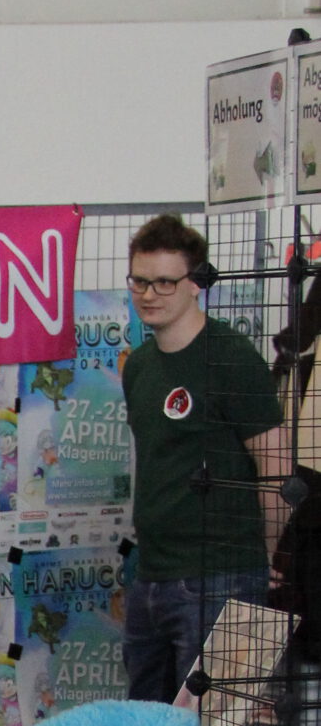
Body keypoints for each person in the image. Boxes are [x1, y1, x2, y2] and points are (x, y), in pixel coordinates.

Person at [120, 215, 284, 701]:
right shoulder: (140, 366)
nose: (149, 294)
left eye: (164, 282)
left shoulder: (231, 356)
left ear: (196, 283)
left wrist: (268, 553)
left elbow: (276, 464)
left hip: (223, 573)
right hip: (151, 574)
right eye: (139, 281)